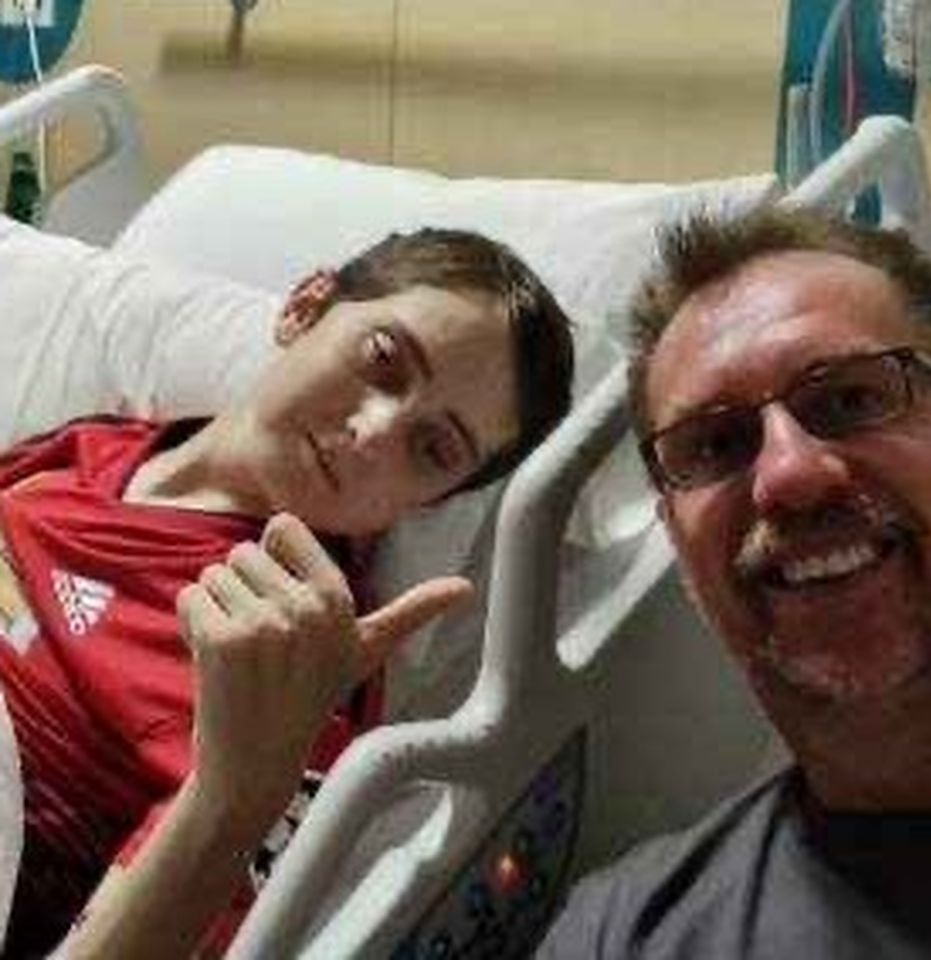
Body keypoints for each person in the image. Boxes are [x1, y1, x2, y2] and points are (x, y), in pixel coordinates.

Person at [0, 226, 574, 958]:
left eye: (432, 449)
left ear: (429, 501)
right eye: (383, 362)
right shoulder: (93, 449)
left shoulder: (285, 661)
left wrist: (236, 796)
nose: (373, 431)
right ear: (305, 308)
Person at [537, 207, 931, 959]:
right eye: (716, 444)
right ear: (677, 541)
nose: (788, 473)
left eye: (850, 399)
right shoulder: (624, 936)